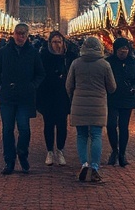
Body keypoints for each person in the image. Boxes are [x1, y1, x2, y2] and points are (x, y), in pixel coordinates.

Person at [0, 23, 45, 175]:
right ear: (13, 34)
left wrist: (32, 86)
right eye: (18, 33)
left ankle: (22, 153)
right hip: (7, 97)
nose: (20, 36)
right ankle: (9, 161)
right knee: (7, 130)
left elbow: (40, 73)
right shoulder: (3, 52)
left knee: (24, 129)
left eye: (23, 34)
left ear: (27, 36)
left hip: (24, 97)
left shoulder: (33, 53)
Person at [66, 36, 116, 183]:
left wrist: (74, 97)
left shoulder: (76, 63)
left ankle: (84, 164)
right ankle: (94, 167)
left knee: (81, 135)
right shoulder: (105, 65)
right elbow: (112, 87)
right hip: (98, 105)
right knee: (96, 135)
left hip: (79, 103)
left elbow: (68, 85)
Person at [37, 31, 76, 167]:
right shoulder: (43, 56)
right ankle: (49, 152)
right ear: (50, 43)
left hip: (63, 95)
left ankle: (60, 150)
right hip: (47, 94)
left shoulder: (69, 57)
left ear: (63, 42)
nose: (57, 45)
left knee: (62, 124)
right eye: (54, 42)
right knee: (48, 124)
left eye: (59, 41)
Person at [105, 37, 135, 167]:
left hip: (128, 98)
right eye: (121, 49)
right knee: (110, 125)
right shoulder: (108, 62)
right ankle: (114, 150)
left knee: (123, 127)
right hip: (112, 97)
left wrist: (134, 88)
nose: (123, 52)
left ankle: (122, 153)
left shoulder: (134, 62)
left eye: (126, 49)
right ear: (116, 50)